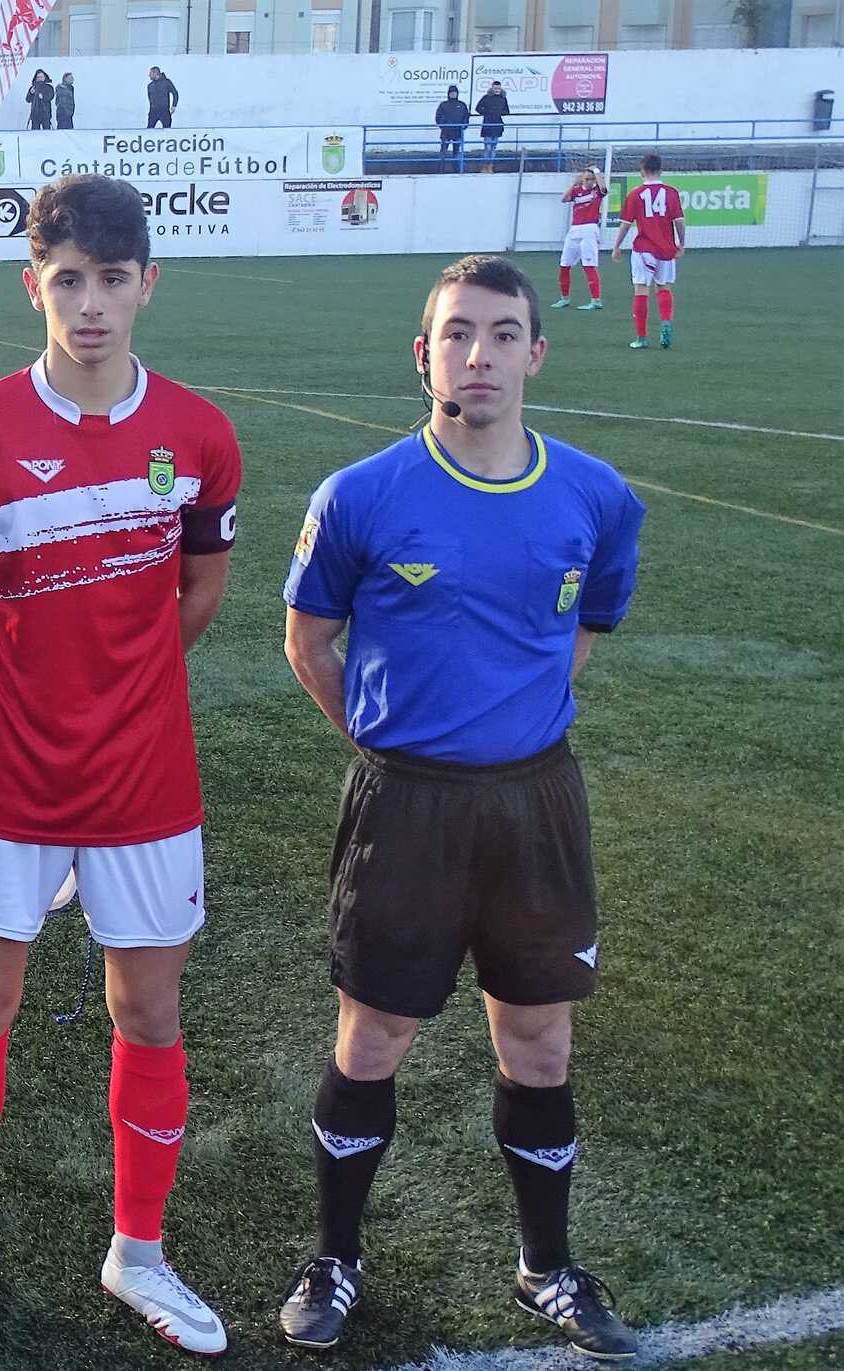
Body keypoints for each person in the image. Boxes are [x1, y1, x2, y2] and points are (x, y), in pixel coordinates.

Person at [276, 253, 645, 1361]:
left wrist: (510, 719)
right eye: (456, 334)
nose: (477, 355)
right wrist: (388, 744)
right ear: (424, 353)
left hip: (537, 805)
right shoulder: (361, 495)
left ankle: (546, 1267)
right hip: (408, 805)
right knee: (375, 1034)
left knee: (540, 1041)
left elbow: (583, 631)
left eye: (501, 334)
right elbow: (308, 642)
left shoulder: (596, 495)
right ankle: (335, 1258)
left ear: (537, 353)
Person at [0, 173, 241, 1357]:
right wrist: (22, 678)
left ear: (148, 283)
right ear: (32, 286)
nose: (89, 304)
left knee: (148, 1011)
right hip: (3, 777)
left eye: (110, 279)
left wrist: (121, 681)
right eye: (66, 281)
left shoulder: (198, 435)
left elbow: (199, 587)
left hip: (146, 783)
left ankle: (138, 1252)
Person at [612, 154, 684, 350]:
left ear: (642, 171)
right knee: (664, 288)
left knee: (641, 289)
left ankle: (641, 337)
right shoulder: (671, 193)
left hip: (644, 249)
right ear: (660, 170)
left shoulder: (636, 194)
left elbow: (626, 224)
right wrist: (681, 243)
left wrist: (616, 246)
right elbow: (679, 222)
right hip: (666, 249)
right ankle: (666, 323)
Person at [552, 165, 605, 311]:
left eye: (592, 179)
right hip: (574, 229)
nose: (589, 182)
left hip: (589, 229)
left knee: (589, 265)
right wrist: (573, 184)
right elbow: (563, 199)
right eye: (587, 179)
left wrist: (597, 171)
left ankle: (596, 300)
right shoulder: (576, 191)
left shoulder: (597, 191)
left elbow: (603, 187)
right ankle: (565, 298)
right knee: (564, 265)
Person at [435, 86, 470, 173]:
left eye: (455, 93)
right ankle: (441, 170)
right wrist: (443, 126)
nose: (453, 94)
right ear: (448, 94)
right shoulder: (443, 105)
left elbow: (466, 117)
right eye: (451, 93)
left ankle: (457, 170)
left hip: (458, 132)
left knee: (456, 153)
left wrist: (464, 126)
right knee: (443, 152)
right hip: (446, 132)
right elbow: (438, 117)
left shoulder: (462, 105)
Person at [475, 81, 510, 170]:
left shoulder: (503, 99)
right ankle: (484, 166)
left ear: (501, 88)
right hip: (487, 125)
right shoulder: (486, 98)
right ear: (492, 88)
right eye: (495, 88)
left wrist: (499, 112)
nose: (497, 90)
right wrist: (487, 112)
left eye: (498, 88)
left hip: (497, 125)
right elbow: (478, 108)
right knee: (487, 148)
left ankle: (490, 166)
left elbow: (507, 111)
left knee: (493, 148)